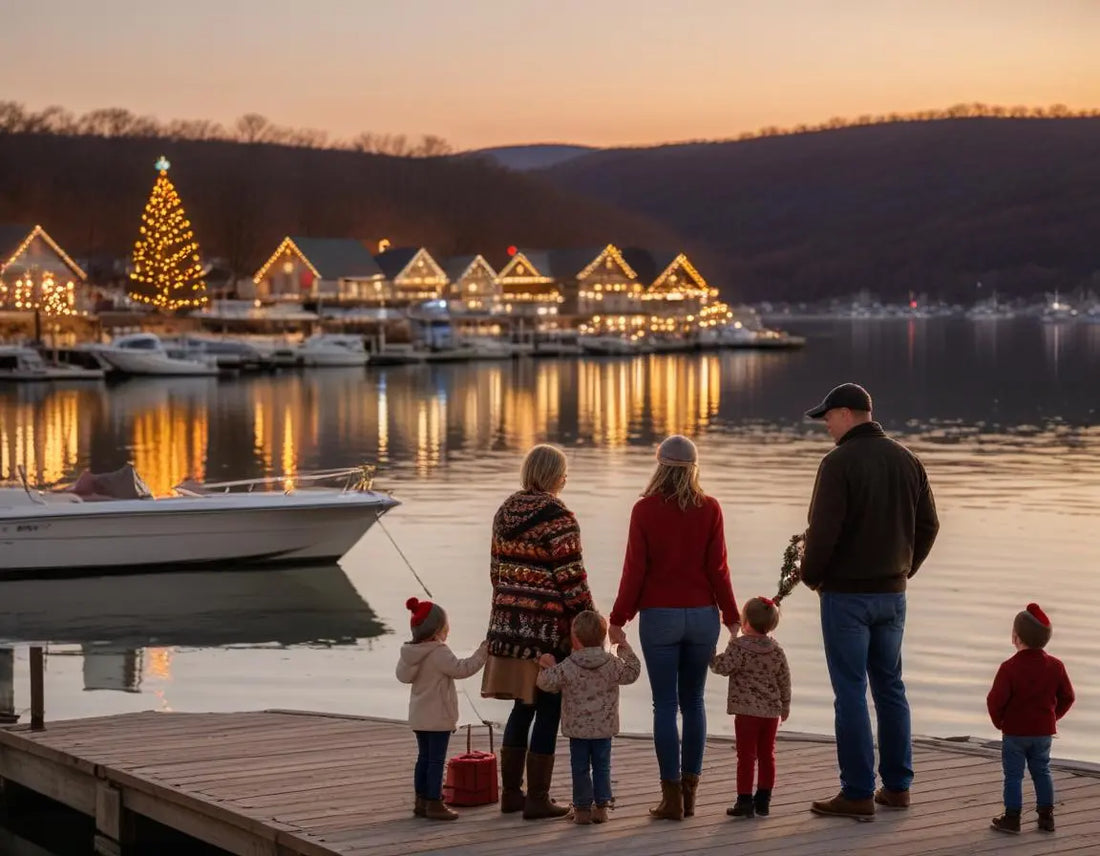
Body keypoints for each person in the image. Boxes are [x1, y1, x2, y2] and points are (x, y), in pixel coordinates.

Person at [800, 382, 940, 821]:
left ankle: (858, 791)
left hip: (846, 595)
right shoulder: (907, 459)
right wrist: (904, 569)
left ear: (847, 413)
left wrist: (810, 575)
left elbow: (823, 531)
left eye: (828, 415)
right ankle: (898, 788)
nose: (825, 423)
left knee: (851, 692)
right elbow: (929, 525)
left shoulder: (838, 463)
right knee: (891, 688)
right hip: (892, 594)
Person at [609, 434, 740, 821]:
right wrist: (732, 618)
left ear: (660, 466)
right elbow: (719, 570)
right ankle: (690, 795)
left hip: (660, 617)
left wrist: (618, 619)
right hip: (702, 616)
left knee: (665, 705)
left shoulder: (644, 510)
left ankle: (671, 801)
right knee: (694, 702)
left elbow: (636, 570)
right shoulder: (710, 508)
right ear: (694, 468)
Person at [482, 444, 596, 820]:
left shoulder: (503, 512)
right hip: (547, 629)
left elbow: (496, 573)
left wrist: (506, 611)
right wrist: (589, 624)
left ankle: (511, 794)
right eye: (563, 472)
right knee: (548, 709)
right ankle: (538, 799)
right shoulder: (559, 517)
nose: (566, 479)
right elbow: (572, 580)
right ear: (553, 476)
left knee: (522, 706)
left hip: (508, 626)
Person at [536, 610, 641, 824]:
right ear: (603, 638)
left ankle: (582, 810)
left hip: (578, 730)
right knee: (603, 766)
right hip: (604, 729)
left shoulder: (568, 665)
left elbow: (545, 683)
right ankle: (601, 808)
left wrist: (545, 665)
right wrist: (625, 649)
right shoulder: (611, 664)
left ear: (575, 639)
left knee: (580, 767)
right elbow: (633, 672)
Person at [395, 597, 489, 821]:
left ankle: (421, 801)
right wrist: (482, 652)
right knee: (436, 761)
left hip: (419, 717)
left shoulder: (410, 653)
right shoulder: (439, 652)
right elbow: (462, 669)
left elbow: (402, 676)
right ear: (439, 629)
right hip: (438, 718)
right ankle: (435, 802)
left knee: (424, 758)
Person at [987, 603, 1075, 835]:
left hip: (1015, 733)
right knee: (1042, 771)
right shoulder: (1056, 666)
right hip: (1043, 733)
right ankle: (1046, 819)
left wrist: (1000, 723)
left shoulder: (1009, 668)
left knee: (1013, 776)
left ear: (1015, 637)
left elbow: (995, 701)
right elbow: (1068, 697)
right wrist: (1052, 718)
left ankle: (1012, 819)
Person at [710, 596, 791, 819]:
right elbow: (784, 679)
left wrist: (709, 652)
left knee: (746, 757)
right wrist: (785, 705)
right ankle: (763, 800)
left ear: (745, 621)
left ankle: (744, 800)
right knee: (767, 755)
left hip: (747, 713)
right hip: (772, 713)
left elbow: (723, 667)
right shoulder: (776, 649)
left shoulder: (738, 647)